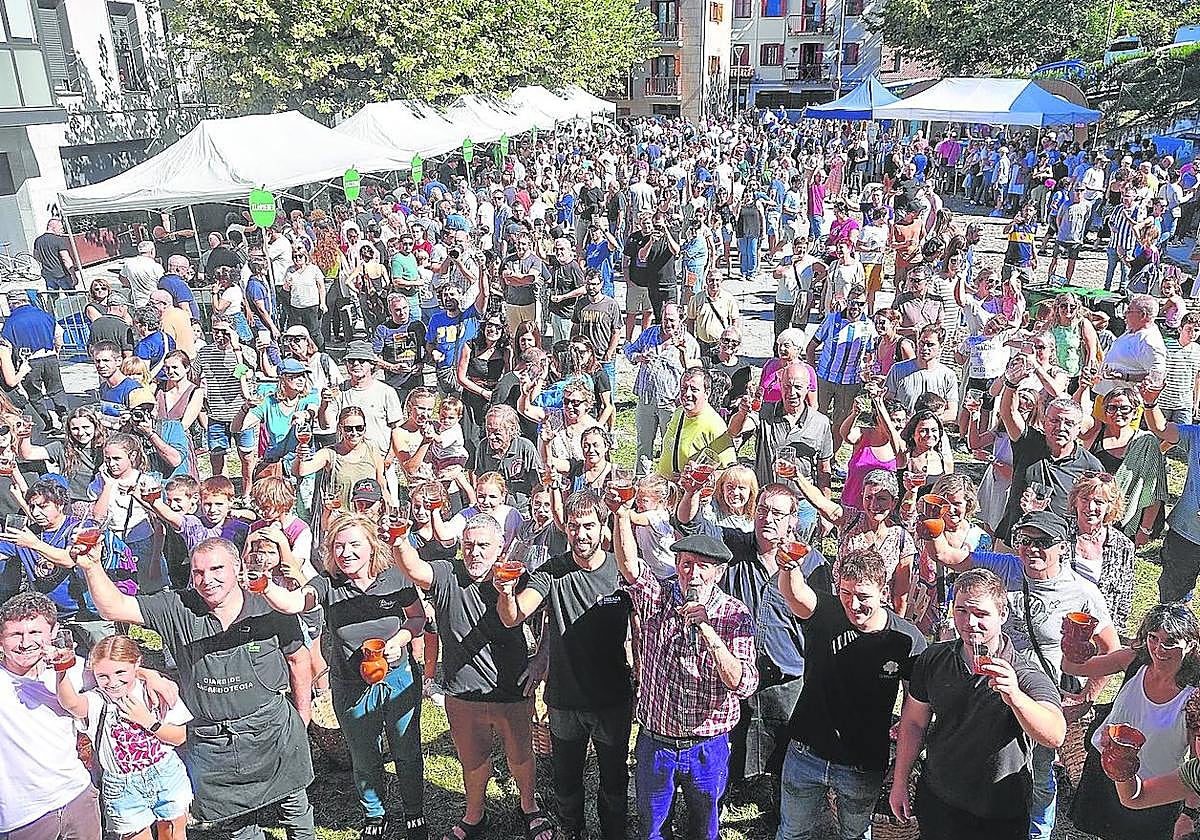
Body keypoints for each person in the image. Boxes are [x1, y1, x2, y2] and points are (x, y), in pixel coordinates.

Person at [74, 536, 316, 839]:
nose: (207, 580)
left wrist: (302, 715)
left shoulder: (268, 605)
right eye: (198, 572)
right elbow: (114, 607)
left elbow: (298, 659)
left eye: (217, 569)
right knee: (236, 824)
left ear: (237, 568)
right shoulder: (177, 606)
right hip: (214, 740)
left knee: (295, 811)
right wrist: (92, 566)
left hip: (272, 729)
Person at [924, 509, 1120, 839]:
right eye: (1024, 541)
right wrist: (931, 523)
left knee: (1040, 773)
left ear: (1064, 546)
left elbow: (1111, 650)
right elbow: (948, 556)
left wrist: (1087, 697)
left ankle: (1037, 833)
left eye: (1042, 542)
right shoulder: (1006, 566)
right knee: (994, 765)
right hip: (991, 691)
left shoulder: (1082, 593)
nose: (1031, 549)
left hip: (1040, 697)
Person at [262, 515, 428, 840]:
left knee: (406, 749)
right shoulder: (327, 584)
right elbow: (297, 602)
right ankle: (375, 814)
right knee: (364, 755)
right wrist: (264, 585)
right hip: (350, 683)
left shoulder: (395, 577)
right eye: (339, 545)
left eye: (354, 544)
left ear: (371, 546)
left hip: (398, 677)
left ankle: (414, 812)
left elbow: (417, 617)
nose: (346, 552)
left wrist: (399, 642)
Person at [392, 515, 553, 840]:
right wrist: (398, 540)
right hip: (462, 691)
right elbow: (412, 568)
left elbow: (553, 614)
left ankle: (528, 806)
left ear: (500, 549)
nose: (475, 552)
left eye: (483, 546)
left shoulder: (517, 578)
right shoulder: (447, 572)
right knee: (473, 760)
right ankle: (474, 816)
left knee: (520, 756)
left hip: (511, 688)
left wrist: (540, 661)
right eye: (469, 545)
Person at [610, 502, 758, 840]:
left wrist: (707, 628)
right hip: (656, 743)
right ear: (677, 564)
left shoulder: (734, 615)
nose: (694, 574)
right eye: (687, 564)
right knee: (652, 828)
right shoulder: (658, 596)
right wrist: (621, 515)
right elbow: (631, 567)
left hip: (707, 747)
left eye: (704, 567)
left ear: (718, 572)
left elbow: (743, 683)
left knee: (704, 829)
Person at [495, 490, 633, 840]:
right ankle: (572, 831)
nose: (581, 534)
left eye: (588, 526)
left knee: (614, 779)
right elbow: (515, 617)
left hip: (613, 698)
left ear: (602, 528)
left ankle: (614, 833)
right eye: (574, 526)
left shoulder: (622, 572)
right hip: (565, 698)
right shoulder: (552, 571)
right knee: (566, 779)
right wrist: (508, 593)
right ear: (566, 529)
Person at [890, 568, 1065, 840]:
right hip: (939, 800)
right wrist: (900, 781)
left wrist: (1016, 698)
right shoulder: (935, 659)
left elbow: (1055, 734)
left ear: (1002, 615)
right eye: (961, 611)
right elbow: (913, 722)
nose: (970, 622)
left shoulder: (1024, 673)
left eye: (981, 614)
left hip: (999, 810)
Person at [774, 547, 927, 840]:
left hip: (862, 763)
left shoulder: (907, 641)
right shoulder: (827, 613)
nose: (853, 604)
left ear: (883, 591)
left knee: (855, 835)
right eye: (845, 593)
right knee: (793, 832)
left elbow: (915, 711)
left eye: (863, 596)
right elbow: (794, 594)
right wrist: (789, 567)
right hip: (806, 752)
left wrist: (901, 774)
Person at [1063, 603, 1200, 840]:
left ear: (1190, 645)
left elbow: (1197, 762)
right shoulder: (1135, 660)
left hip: (1155, 790)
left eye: (1170, 642)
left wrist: (1188, 814)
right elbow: (1073, 667)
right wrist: (1075, 644)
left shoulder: (1194, 695)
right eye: (1153, 638)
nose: (1159, 649)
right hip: (1105, 769)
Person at [53, 633, 194, 840]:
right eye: (103, 676)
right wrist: (61, 670)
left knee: (172, 833)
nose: (113, 682)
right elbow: (71, 703)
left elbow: (180, 737)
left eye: (121, 672)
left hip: (166, 774)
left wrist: (148, 721)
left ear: (137, 664)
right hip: (122, 786)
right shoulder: (96, 701)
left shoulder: (154, 691)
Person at [0, 591, 103, 838]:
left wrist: (149, 676)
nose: (25, 643)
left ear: (54, 632)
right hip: (23, 817)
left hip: (78, 797)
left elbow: (119, 676)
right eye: (15, 634)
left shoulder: (74, 668)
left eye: (35, 633)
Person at [623, 304, 701, 472]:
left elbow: (695, 374)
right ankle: (641, 481)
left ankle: (668, 482)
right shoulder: (649, 333)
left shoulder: (690, 343)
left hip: (671, 403)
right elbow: (629, 350)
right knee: (643, 445)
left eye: (672, 320)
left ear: (681, 320)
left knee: (671, 446)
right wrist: (639, 357)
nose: (668, 324)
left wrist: (683, 354)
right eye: (665, 319)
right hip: (646, 399)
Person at [2, 290, 68, 433]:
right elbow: (59, 335)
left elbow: (6, 345)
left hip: (29, 362)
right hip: (50, 357)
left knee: (35, 395)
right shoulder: (44, 315)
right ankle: (64, 417)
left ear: (11, 304)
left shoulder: (11, 321)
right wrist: (56, 352)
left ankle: (47, 422)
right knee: (56, 390)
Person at [655, 367, 734, 480]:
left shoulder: (714, 425)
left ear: (707, 393)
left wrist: (694, 477)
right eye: (684, 388)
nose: (687, 394)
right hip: (667, 488)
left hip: (690, 493)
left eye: (694, 389)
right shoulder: (679, 412)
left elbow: (728, 472)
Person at [883, 324, 958, 418]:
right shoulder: (898, 370)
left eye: (930, 345)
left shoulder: (948, 375)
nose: (925, 348)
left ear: (941, 346)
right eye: (922, 343)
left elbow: (951, 412)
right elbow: (887, 402)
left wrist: (928, 421)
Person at [32, 218, 76, 290]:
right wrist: (73, 275)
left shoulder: (38, 240)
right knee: (72, 297)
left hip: (48, 274)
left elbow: (36, 256)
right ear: (53, 227)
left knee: (53, 297)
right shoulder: (58, 240)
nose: (62, 230)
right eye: (60, 228)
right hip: (61, 274)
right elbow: (66, 259)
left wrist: (47, 262)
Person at [120, 241, 164, 308]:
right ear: (152, 251)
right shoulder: (156, 266)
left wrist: (131, 285)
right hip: (155, 302)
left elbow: (122, 277)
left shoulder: (129, 263)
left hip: (138, 303)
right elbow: (163, 284)